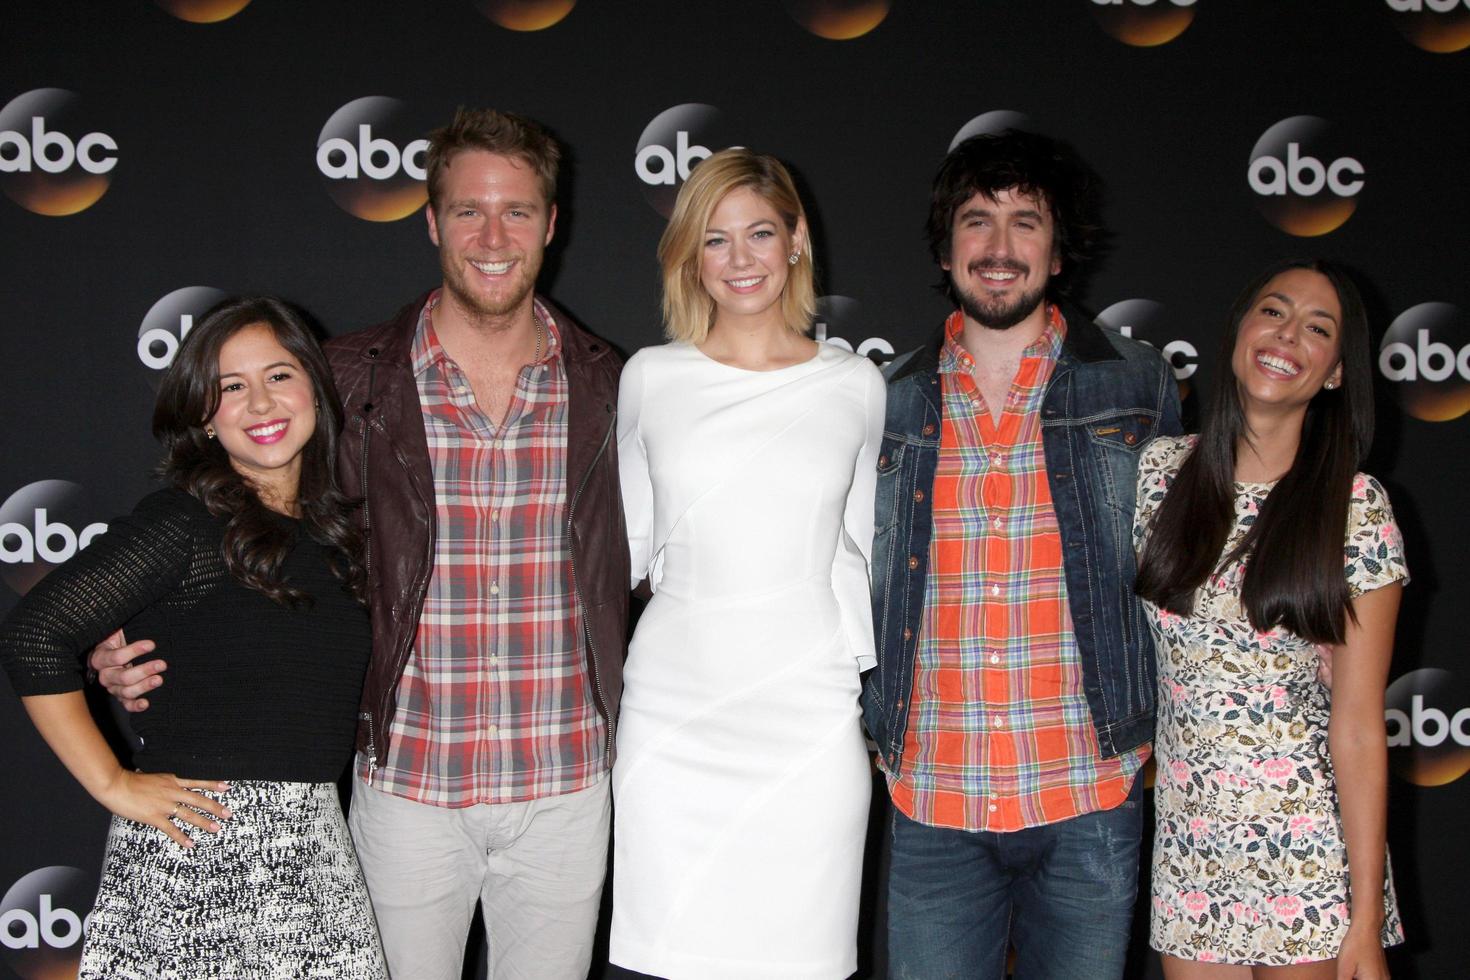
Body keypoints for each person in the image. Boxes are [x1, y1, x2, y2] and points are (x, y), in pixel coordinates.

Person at [92, 108, 629, 980]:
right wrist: (129, 634)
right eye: (467, 211)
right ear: (431, 222)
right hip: (405, 787)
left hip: (567, 785)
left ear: (551, 224)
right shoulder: (347, 380)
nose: (493, 236)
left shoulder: (610, 384)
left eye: (518, 211)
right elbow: (236, 516)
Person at [862, 128, 1183, 978]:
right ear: (946, 245)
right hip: (934, 793)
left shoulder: (1137, 383)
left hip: (1089, 790)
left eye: (1025, 222)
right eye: (977, 221)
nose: (999, 249)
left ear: (1058, 246)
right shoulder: (881, 400)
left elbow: (1185, 572)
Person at [0, 297, 385, 977]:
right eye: (231, 386)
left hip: (318, 854)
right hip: (193, 857)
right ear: (204, 417)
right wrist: (115, 783)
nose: (260, 402)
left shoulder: (338, 539)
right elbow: (36, 634)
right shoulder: (184, 524)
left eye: (279, 375)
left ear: (317, 391)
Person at [609, 147, 883, 979]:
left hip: (808, 716)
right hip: (674, 715)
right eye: (716, 239)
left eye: (759, 233)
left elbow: (862, 555)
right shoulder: (650, 378)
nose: (740, 259)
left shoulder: (858, 385)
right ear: (690, 256)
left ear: (795, 240)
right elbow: (621, 550)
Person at [1133, 259, 1406, 979]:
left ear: (1337, 373)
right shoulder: (1159, 475)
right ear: (1239, 331)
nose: (1288, 335)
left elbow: (1355, 726)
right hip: (1189, 849)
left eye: (1318, 329)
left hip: (1307, 851)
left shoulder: (1355, 509)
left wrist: (1366, 924)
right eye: (1274, 311)